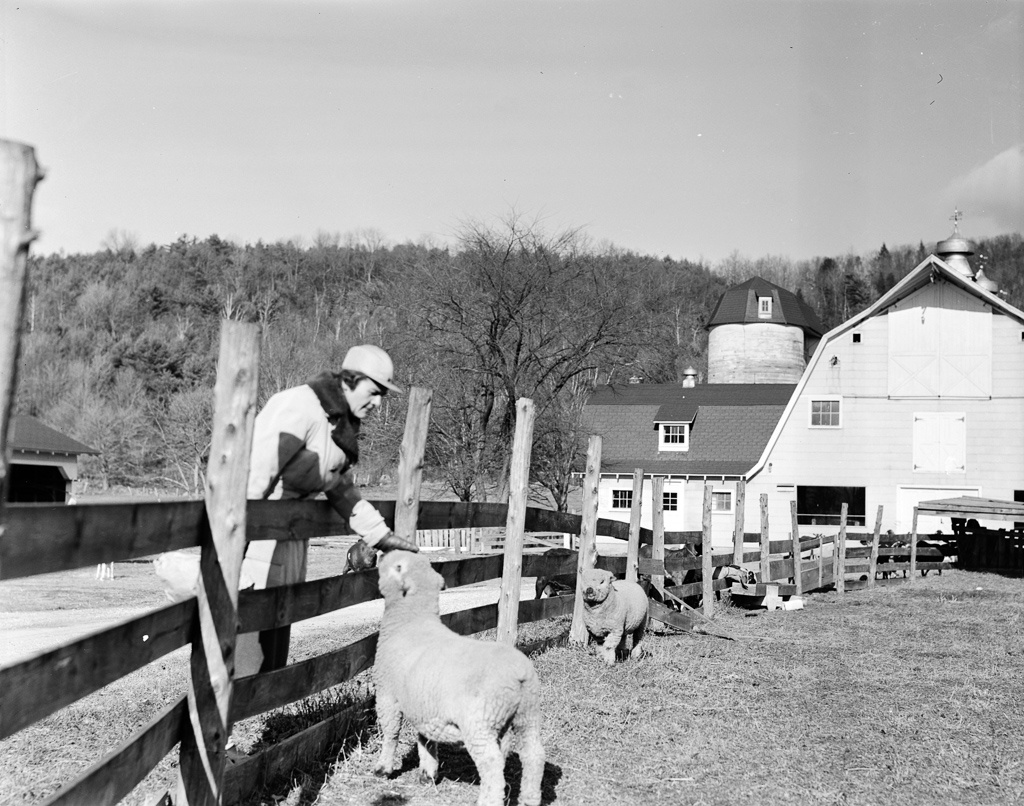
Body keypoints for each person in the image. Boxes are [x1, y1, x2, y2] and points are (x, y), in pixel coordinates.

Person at [236, 344, 419, 675]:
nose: (378, 403)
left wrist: (380, 536)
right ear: (350, 380)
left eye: (382, 396)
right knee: (242, 664)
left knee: (270, 666)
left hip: (289, 548)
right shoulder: (299, 407)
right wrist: (233, 558)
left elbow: (340, 488)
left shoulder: (336, 424)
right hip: (255, 546)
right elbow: (251, 479)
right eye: (374, 392)